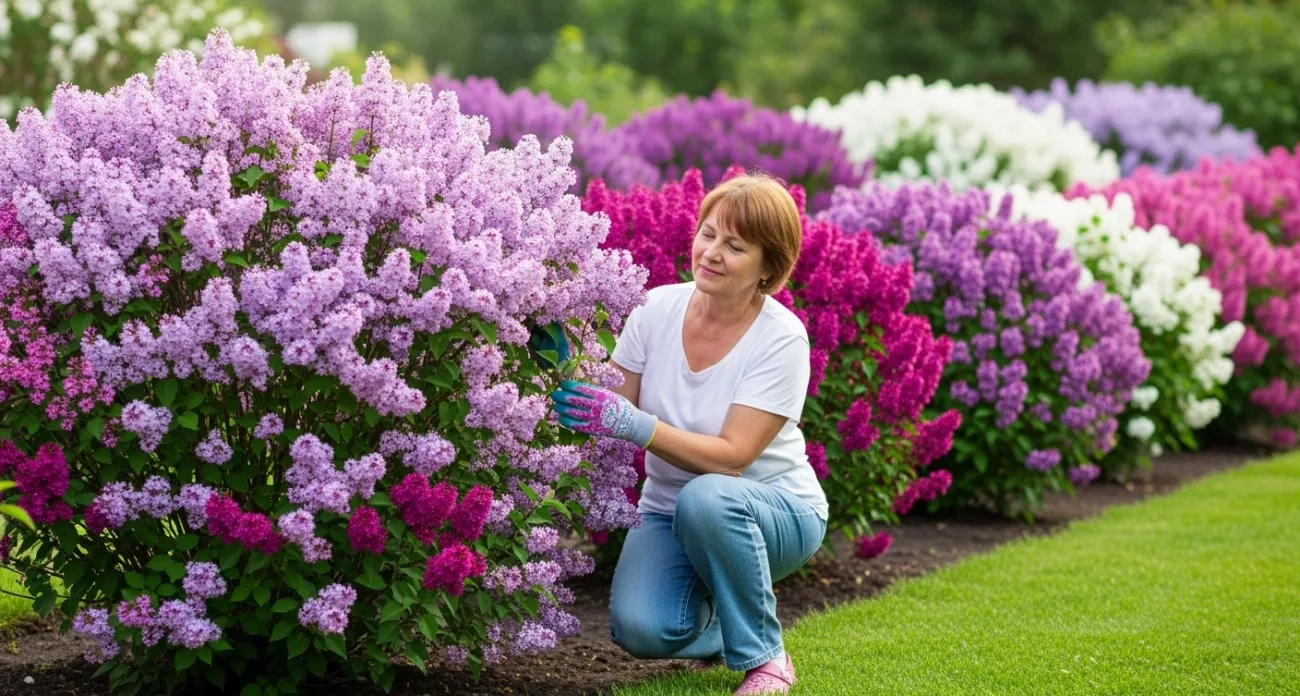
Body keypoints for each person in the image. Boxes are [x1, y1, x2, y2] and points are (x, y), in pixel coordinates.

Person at [548, 173, 828, 696]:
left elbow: (732, 459)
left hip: (774, 512)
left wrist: (640, 427)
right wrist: (560, 364)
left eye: (735, 246)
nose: (712, 252)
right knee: (641, 628)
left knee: (709, 497)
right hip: (669, 510)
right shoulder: (655, 309)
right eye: (708, 233)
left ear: (768, 268)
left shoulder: (782, 338)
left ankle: (766, 658)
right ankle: (725, 630)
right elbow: (615, 399)